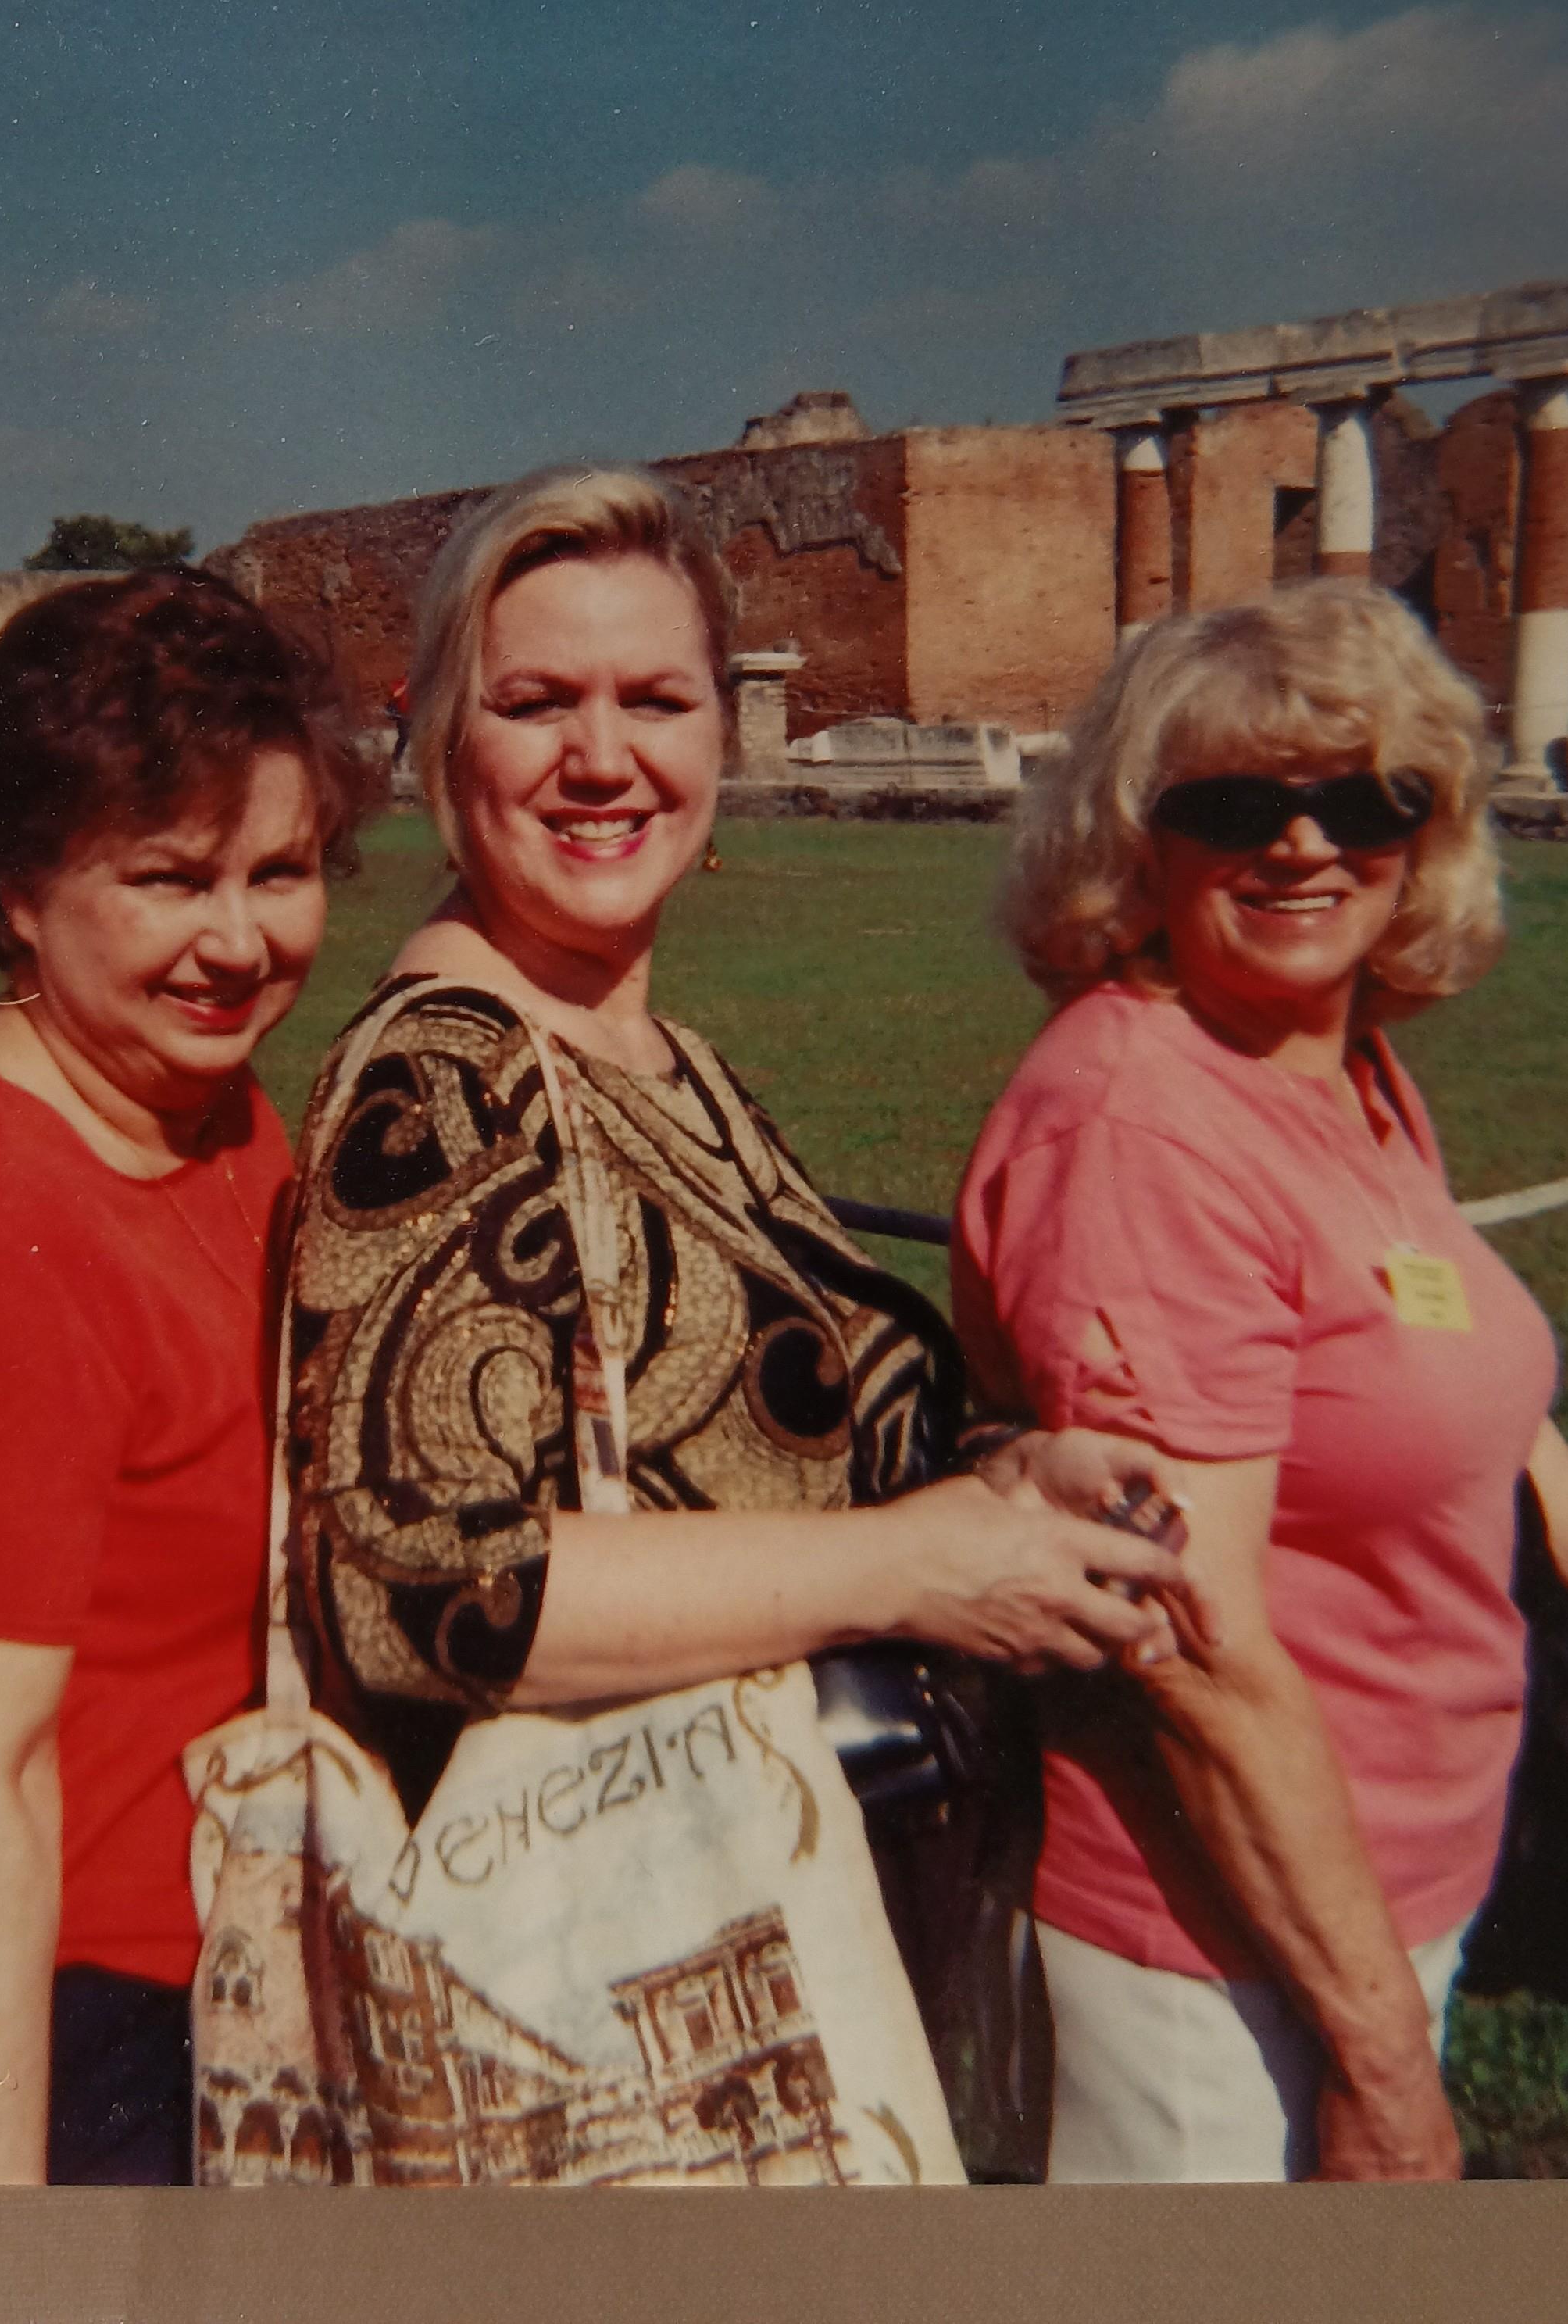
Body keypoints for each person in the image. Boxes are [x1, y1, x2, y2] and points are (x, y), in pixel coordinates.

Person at [277, 466, 1198, 2179]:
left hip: (814, 1907)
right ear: (436, 744)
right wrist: (919, 1566)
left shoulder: (649, 1050)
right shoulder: (448, 1077)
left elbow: (785, 1429)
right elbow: (408, 1584)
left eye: (655, 699)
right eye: (533, 702)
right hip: (626, 1986)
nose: (602, 759)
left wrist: (1002, 1468)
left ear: (726, 728)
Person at [952, 578, 1568, 2183]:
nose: (1305, 844)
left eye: (1363, 799)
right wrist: (1382, 2059)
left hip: (1395, 1876)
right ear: (1135, 839)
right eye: (1234, 802)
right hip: (1224, 1948)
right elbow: (1188, 1640)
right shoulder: (1137, 1122)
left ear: (1427, 826)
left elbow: (1479, 1389)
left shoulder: (1340, 1065)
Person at [0, 569, 383, 2184]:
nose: (241, 939)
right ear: (18, 891)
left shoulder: (216, 1119)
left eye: (282, 870)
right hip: (75, 2028)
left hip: (230, 1962)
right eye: (170, 877)